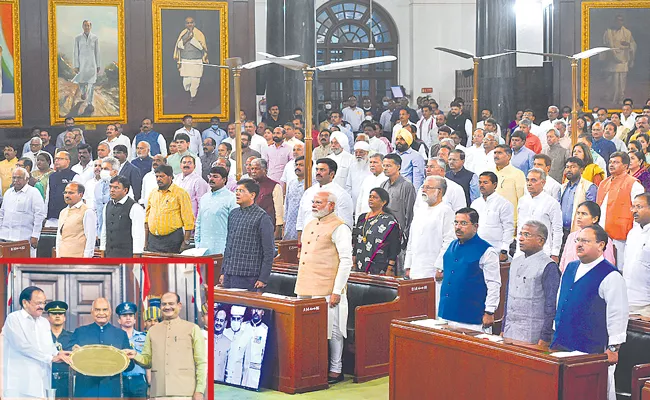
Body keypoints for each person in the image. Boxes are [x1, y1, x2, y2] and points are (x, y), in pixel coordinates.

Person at [551, 224, 628, 400]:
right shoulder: (570, 268)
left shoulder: (611, 275)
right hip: (562, 341)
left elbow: (618, 313)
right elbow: (560, 300)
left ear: (601, 245)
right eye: (577, 240)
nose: (579, 244)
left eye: (585, 241)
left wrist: (613, 347)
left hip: (591, 347)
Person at [294, 190, 353, 384]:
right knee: (308, 329)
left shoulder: (340, 227)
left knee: (334, 329)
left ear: (331, 206)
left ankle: (336, 369)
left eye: (319, 202)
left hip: (328, 287)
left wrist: (337, 290)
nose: (314, 205)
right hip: (305, 285)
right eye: (313, 202)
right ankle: (313, 368)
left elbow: (346, 261)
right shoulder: (310, 223)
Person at [126, 292, 206, 400]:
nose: (167, 307)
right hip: (159, 393)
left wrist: (199, 391)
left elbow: (201, 362)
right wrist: (135, 355)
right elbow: (147, 361)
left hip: (185, 393)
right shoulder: (152, 331)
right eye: (164, 304)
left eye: (171, 303)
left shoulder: (192, 328)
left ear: (179, 305)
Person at [438, 208, 501, 332]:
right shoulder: (451, 246)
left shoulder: (487, 251)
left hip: (472, 317)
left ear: (475, 226)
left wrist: (489, 311)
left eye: (463, 223)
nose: (458, 227)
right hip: (447, 313)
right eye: (456, 223)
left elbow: (494, 284)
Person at [2, 287, 72, 399]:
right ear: (25, 303)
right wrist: (50, 358)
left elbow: (49, 346)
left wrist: (58, 354)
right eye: (38, 303)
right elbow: (21, 346)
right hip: (19, 386)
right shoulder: (14, 319)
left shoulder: (44, 322)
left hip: (42, 384)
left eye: (44, 303)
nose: (42, 306)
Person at [503, 221, 560, 347]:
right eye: (521, 234)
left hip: (532, 334)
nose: (521, 238)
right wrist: (503, 328)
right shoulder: (515, 261)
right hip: (509, 331)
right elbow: (508, 298)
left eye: (527, 235)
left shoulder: (548, 266)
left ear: (541, 241)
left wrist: (545, 337)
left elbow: (551, 305)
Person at [68, 297, 134, 398]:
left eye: (105, 309)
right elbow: (68, 359)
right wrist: (74, 353)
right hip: (85, 392)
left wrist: (125, 358)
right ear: (92, 312)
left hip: (111, 392)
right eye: (97, 310)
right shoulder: (79, 332)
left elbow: (129, 366)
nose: (101, 313)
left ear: (110, 312)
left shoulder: (121, 334)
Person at [405, 176, 455, 306]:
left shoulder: (446, 211)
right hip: (416, 267)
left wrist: (441, 267)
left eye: (428, 187)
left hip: (433, 268)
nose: (424, 190)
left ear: (439, 191)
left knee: (433, 305)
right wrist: (408, 265)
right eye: (424, 187)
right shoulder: (420, 210)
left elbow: (449, 241)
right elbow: (412, 238)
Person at [219, 179, 274, 290]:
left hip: (249, 276)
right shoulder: (233, 214)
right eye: (236, 190)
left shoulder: (262, 217)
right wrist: (223, 271)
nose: (237, 193)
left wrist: (263, 278)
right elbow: (229, 246)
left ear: (252, 195)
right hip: (230, 273)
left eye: (241, 191)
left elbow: (269, 251)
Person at [596, 151, 644, 269]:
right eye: (610, 162)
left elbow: (639, 212)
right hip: (602, 235)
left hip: (623, 236)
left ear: (625, 166)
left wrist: (636, 235)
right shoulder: (603, 183)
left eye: (616, 162)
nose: (611, 164)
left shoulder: (633, 184)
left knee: (621, 268)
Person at [296, 158, 354, 238]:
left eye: (322, 170)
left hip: (328, 242)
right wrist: (300, 242)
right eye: (317, 169)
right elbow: (301, 218)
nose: (318, 172)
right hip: (307, 240)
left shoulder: (341, 194)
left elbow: (346, 224)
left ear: (332, 174)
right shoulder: (309, 192)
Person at [380, 154, 416, 275]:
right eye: (384, 165)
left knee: (399, 269)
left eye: (389, 165)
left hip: (400, 235)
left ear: (398, 166)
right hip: (385, 233)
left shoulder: (407, 185)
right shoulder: (383, 185)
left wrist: (406, 236)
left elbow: (410, 212)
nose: (385, 168)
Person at [145, 165, 195, 253]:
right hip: (153, 240)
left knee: (170, 267)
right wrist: (145, 241)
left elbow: (188, 220)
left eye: (162, 176)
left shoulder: (181, 193)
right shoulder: (153, 193)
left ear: (170, 177)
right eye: (157, 176)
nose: (158, 179)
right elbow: (147, 218)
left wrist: (186, 242)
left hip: (172, 240)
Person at [516, 169, 563, 261]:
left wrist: (555, 253)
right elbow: (519, 225)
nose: (529, 183)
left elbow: (557, 230)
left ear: (543, 183)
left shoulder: (552, 203)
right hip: (521, 252)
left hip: (543, 251)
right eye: (527, 180)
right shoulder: (522, 201)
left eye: (533, 180)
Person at [353, 187, 400, 275]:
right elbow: (356, 240)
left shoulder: (388, 221)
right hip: (360, 262)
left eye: (375, 197)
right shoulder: (362, 218)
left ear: (384, 202)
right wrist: (354, 261)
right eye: (370, 196)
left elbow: (394, 246)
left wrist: (390, 268)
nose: (371, 199)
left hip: (380, 264)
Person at [471, 172, 515, 262]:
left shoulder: (504, 204)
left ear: (494, 185)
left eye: (485, 182)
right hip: (476, 251)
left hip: (496, 251)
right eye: (480, 182)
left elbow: (508, 229)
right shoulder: (475, 204)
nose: (482, 185)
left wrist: (504, 251)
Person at [0, 167, 45, 256]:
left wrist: (35, 236)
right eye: (14, 177)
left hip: (24, 239)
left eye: (19, 178)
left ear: (27, 179)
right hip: (5, 237)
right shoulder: (8, 193)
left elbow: (39, 216)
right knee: (5, 268)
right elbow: (2, 214)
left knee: (22, 266)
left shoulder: (33, 192)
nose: (16, 180)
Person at [560, 201, 616, 272]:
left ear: (595, 219)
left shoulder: (603, 239)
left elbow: (609, 265)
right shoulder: (571, 236)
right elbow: (563, 261)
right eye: (578, 213)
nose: (579, 217)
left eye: (584, 214)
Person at [195, 166, 236, 255]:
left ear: (224, 180)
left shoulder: (231, 198)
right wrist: (197, 244)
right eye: (210, 176)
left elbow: (235, 226)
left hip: (223, 248)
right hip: (203, 248)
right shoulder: (204, 198)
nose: (211, 179)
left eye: (215, 177)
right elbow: (199, 222)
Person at [100, 176, 145, 257]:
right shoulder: (107, 205)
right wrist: (102, 249)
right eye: (111, 187)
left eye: (116, 188)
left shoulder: (135, 207)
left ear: (125, 190)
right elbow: (104, 230)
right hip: (109, 254)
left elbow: (138, 235)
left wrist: (136, 255)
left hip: (127, 255)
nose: (112, 190)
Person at [174, 15, 209, 105]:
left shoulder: (199, 34)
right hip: (185, 60)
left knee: (195, 81)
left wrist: (193, 39)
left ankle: (193, 98)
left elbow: (203, 48)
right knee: (186, 82)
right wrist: (188, 38)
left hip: (196, 61)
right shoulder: (183, 33)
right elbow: (179, 46)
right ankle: (188, 94)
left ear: (194, 23)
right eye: (188, 23)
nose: (190, 24)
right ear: (185, 24)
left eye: (191, 22)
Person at [115, 302, 148, 399]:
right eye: (124, 315)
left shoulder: (144, 337)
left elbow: (147, 360)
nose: (128, 318)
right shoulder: (114, 337)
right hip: (120, 379)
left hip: (139, 380)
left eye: (131, 315)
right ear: (119, 320)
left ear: (134, 319)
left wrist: (149, 383)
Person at [624, 193, 650, 314]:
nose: (634, 211)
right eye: (633, 207)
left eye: (639, 207)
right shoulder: (632, 233)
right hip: (626, 301)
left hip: (645, 304)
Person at [602, 14, 636, 105]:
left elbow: (633, 45)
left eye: (621, 20)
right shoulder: (608, 32)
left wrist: (628, 44)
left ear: (623, 22)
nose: (619, 22)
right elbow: (604, 45)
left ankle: (620, 98)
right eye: (617, 20)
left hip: (623, 60)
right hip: (611, 59)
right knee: (612, 80)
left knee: (622, 81)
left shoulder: (627, 33)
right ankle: (611, 98)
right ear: (614, 21)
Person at [56, 182, 97, 257]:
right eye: (65, 192)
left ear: (80, 195)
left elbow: (91, 238)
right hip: (62, 256)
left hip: (79, 257)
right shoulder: (63, 212)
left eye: (71, 193)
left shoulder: (87, 211)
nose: (67, 195)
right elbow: (59, 237)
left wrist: (87, 259)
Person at [560, 157, 598, 236]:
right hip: (561, 231)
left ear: (581, 170)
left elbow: (591, 211)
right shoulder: (562, 187)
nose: (569, 170)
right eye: (567, 167)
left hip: (580, 231)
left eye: (573, 167)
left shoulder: (589, 187)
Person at [491, 145, 527, 228]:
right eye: (495, 153)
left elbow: (522, 200)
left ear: (509, 156)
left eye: (499, 153)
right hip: (492, 221)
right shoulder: (490, 172)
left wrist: (518, 223)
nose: (496, 155)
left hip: (510, 221)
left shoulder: (517, 174)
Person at [249, 158, 284, 238]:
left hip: (268, 227)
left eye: (256, 169)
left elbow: (279, 211)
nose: (253, 171)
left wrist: (277, 231)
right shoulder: (249, 186)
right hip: (251, 227)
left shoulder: (274, 186)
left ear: (264, 170)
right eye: (252, 169)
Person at [45, 301, 73, 400]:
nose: (57, 316)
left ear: (64, 318)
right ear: (48, 317)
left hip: (67, 379)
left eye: (60, 314)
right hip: (46, 377)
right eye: (53, 313)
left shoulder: (72, 337)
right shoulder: (42, 336)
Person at [72, 20, 100, 112]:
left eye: (88, 25)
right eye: (85, 25)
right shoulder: (78, 38)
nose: (86, 27)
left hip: (92, 64)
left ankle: (90, 103)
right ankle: (83, 93)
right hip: (82, 64)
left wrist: (98, 65)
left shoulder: (95, 38)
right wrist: (76, 65)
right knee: (81, 82)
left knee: (91, 84)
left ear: (90, 27)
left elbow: (97, 52)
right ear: (82, 27)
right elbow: (76, 52)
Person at [284, 156, 306, 241]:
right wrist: (285, 222)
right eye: (296, 165)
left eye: (301, 165)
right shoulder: (292, 183)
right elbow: (287, 204)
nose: (297, 167)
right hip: (290, 224)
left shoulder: (313, 184)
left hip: (304, 224)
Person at [345, 141, 372, 206]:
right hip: (354, 201)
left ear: (367, 153)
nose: (358, 155)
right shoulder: (352, 167)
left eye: (361, 152)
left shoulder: (371, 167)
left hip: (368, 200)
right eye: (356, 152)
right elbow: (348, 185)